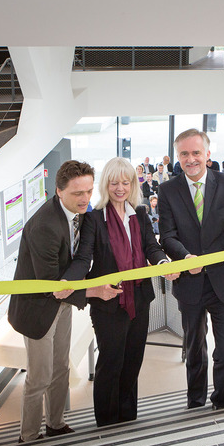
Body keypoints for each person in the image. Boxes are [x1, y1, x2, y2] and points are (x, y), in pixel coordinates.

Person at [8, 160, 119, 444]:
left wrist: (75, 284)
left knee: (61, 369)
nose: (85, 199)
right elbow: (51, 288)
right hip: (38, 310)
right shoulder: (44, 226)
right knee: (39, 376)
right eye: (77, 193)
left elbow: (78, 262)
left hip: (62, 303)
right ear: (58, 191)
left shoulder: (79, 212)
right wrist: (94, 291)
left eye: (89, 191)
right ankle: (29, 436)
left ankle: (56, 424)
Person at [62, 158, 178, 427]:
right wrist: (69, 280)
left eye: (125, 182)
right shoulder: (93, 218)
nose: (120, 188)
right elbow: (83, 258)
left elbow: (152, 248)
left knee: (133, 361)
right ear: (106, 184)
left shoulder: (139, 214)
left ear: (133, 184)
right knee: (111, 362)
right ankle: (106, 421)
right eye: (114, 182)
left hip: (139, 299)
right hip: (108, 303)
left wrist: (162, 263)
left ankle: (127, 418)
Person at [158, 129, 224, 411]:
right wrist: (185, 256)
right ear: (178, 157)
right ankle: (196, 402)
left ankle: (221, 401)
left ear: (208, 154)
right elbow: (167, 235)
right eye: (184, 154)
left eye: (196, 152)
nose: (191, 159)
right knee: (195, 349)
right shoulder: (167, 190)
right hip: (191, 283)